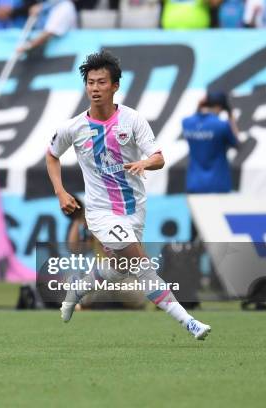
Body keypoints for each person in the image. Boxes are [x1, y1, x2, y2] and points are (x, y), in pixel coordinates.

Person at [45, 50, 211, 340]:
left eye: (101, 82)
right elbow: (51, 155)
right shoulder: (74, 127)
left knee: (120, 270)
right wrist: (60, 191)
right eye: (90, 82)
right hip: (100, 213)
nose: (95, 88)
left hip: (134, 210)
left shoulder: (132, 120)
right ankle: (190, 323)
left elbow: (159, 158)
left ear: (115, 86)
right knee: (141, 265)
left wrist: (144, 162)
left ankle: (78, 289)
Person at [182, 91, 239, 194]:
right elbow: (236, 142)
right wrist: (230, 115)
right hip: (218, 184)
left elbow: (196, 117)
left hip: (194, 183)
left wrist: (198, 106)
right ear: (219, 107)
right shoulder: (222, 125)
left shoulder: (186, 122)